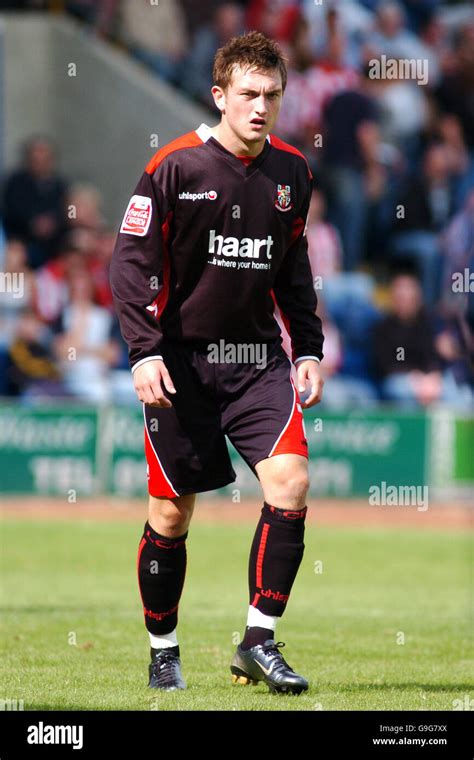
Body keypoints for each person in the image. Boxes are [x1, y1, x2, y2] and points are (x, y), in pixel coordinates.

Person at [110, 31, 325, 695]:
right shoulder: (175, 166)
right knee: (171, 516)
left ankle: (258, 640)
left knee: (289, 482)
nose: (261, 107)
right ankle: (163, 650)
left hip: (257, 362)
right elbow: (129, 265)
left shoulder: (293, 172)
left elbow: (294, 271)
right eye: (248, 95)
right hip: (179, 365)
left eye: (272, 95)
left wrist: (310, 346)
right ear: (219, 96)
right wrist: (143, 353)